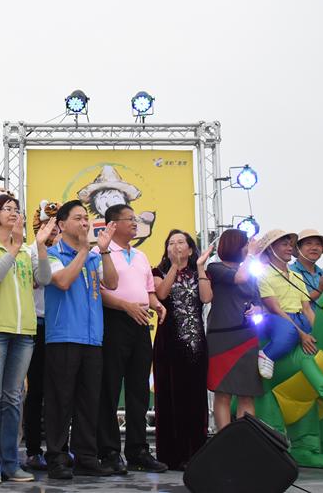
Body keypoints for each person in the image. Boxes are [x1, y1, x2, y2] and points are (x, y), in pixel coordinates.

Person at [0, 194, 54, 484]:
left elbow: (43, 279)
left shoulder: (26, 252)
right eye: (7, 209)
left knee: (13, 398)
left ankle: (11, 462)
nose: (12, 213)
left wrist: (40, 246)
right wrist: (15, 246)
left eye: (15, 209)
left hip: (24, 332)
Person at [43, 200, 119, 479]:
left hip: (92, 338)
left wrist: (105, 250)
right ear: (62, 225)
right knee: (60, 400)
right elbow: (62, 281)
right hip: (63, 336)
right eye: (78, 218)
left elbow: (112, 283)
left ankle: (86, 456)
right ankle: (57, 457)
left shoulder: (95, 257)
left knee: (89, 401)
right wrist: (86, 250)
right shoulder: (51, 254)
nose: (85, 223)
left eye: (86, 218)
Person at [96, 204, 168, 474]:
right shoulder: (99, 252)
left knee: (139, 390)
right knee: (110, 389)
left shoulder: (139, 255)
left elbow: (148, 291)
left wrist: (156, 305)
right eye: (130, 219)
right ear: (112, 225)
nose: (135, 223)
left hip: (140, 324)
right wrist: (126, 306)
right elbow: (99, 292)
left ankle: (138, 451)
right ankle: (109, 452)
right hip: (114, 322)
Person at [152, 229, 212, 471]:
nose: (176, 246)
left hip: (196, 344)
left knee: (195, 399)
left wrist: (199, 267)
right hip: (168, 345)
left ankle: (196, 454)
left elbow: (207, 298)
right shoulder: (157, 272)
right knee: (170, 398)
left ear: (190, 249)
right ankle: (170, 455)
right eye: (171, 243)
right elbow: (162, 293)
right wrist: (174, 268)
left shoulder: (200, 272)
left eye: (181, 242)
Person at [205, 229, 264, 431]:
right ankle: (224, 440)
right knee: (223, 392)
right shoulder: (215, 268)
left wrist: (258, 309)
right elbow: (238, 278)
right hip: (222, 337)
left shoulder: (251, 272)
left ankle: (244, 440)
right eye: (245, 245)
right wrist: (251, 256)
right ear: (234, 246)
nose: (248, 248)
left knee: (247, 393)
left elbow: (259, 301)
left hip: (247, 337)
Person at [22, 200, 60, 471]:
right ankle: (34, 449)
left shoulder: (67, 253)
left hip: (61, 326)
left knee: (59, 391)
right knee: (35, 390)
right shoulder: (26, 252)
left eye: (56, 227)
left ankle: (60, 448)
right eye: (46, 225)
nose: (51, 232)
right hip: (36, 325)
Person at [255, 230, 318, 379]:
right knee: (288, 332)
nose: (290, 248)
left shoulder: (297, 276)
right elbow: (275, 309)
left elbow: (307, 308)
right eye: (284, 245)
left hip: (300, 317)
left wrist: (317, 331)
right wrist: (301, 334)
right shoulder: (263, 275)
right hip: (279, 319)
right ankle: (267, 355)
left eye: (290, 244)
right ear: (270, 249)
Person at [289, 229, 323, 301]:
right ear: (298, 248)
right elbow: (294, 302)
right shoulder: (289, 272)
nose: (314, 248)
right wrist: (320, 289)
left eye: (318, 244)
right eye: (308, 243)